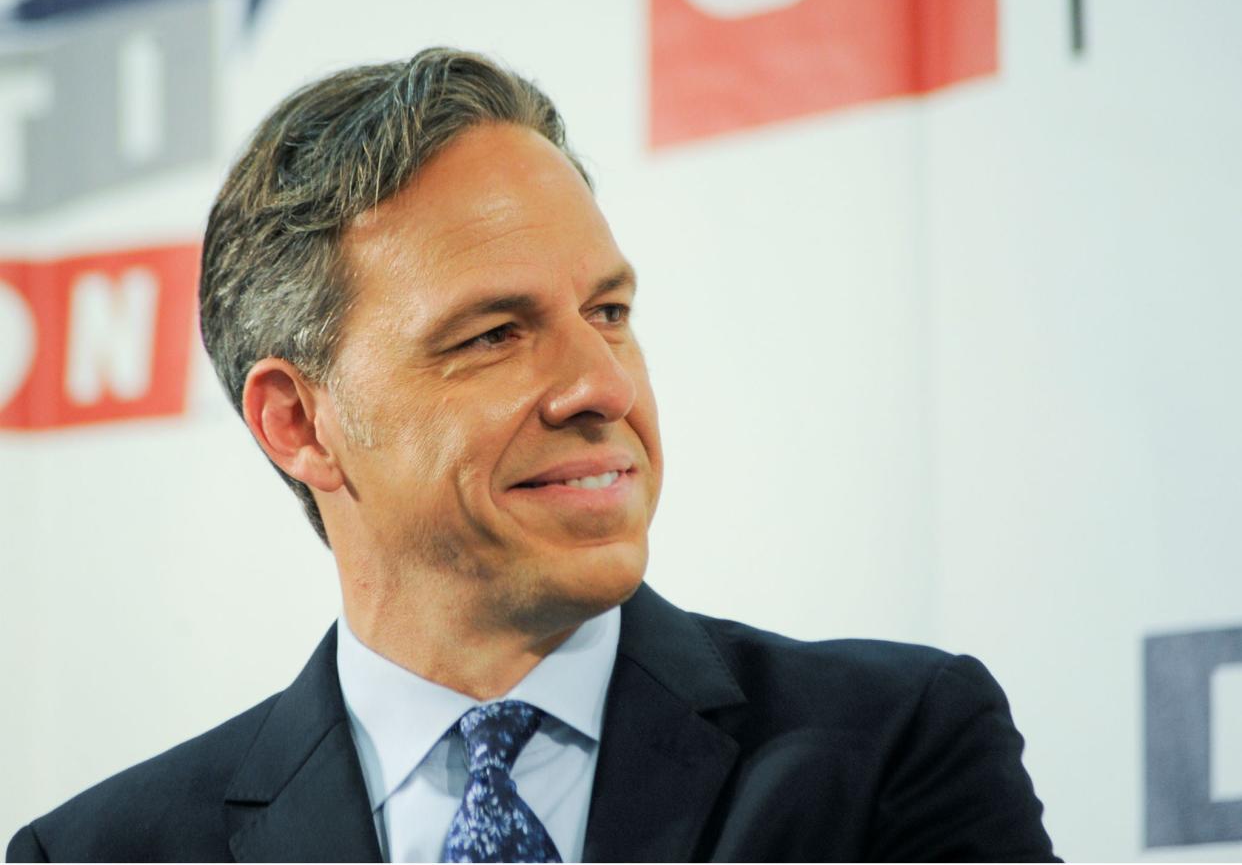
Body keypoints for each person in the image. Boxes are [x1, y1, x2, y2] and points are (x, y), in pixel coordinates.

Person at [6, 48, 1057, 863]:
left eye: (610, 311)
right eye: (494, 334)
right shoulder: (103, 851)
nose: (602, 384)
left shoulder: (889, 749)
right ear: (299, 422)